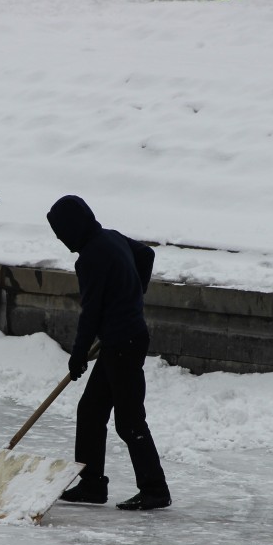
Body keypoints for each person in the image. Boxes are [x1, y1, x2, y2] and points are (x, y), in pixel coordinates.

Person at [47, 195, 171, 510]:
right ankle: (91, 485)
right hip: (123, 339)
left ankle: (155, 489)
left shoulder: (90, 257)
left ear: (73, 228)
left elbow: (91, 313)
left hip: (123, 344)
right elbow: (146, 255)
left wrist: (77, 356)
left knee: (129, 421)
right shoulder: (111, 238)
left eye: (62, 234)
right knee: (90, 412)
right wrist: (134, 294)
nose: (62, 242)